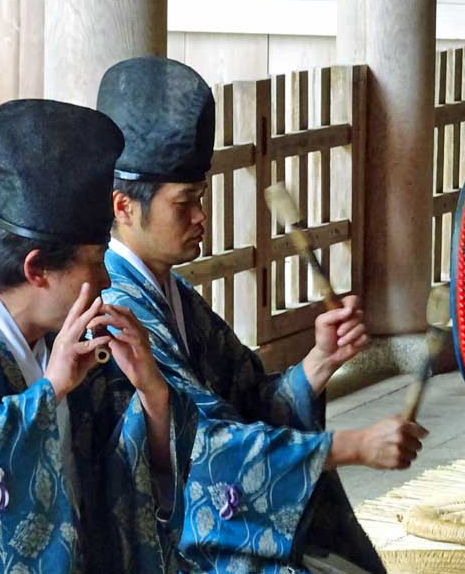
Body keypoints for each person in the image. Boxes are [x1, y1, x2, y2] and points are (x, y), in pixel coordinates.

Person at [97, 56, 427, 572]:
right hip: (170, 548)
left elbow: (247, 400)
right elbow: (202, 446)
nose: (201, 217)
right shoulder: (119, 311)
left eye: (200, 199)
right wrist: (352, 445)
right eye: (185, 204)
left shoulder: (175, 296)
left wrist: (319, 362)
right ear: (123, 207)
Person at [0, 99, 197, 572]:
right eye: (95, 260)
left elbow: (133, 479)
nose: (107, 279)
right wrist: (50, 392)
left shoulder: (76, 344)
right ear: (38, 269)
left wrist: (153, 393)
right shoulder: (62, 363)